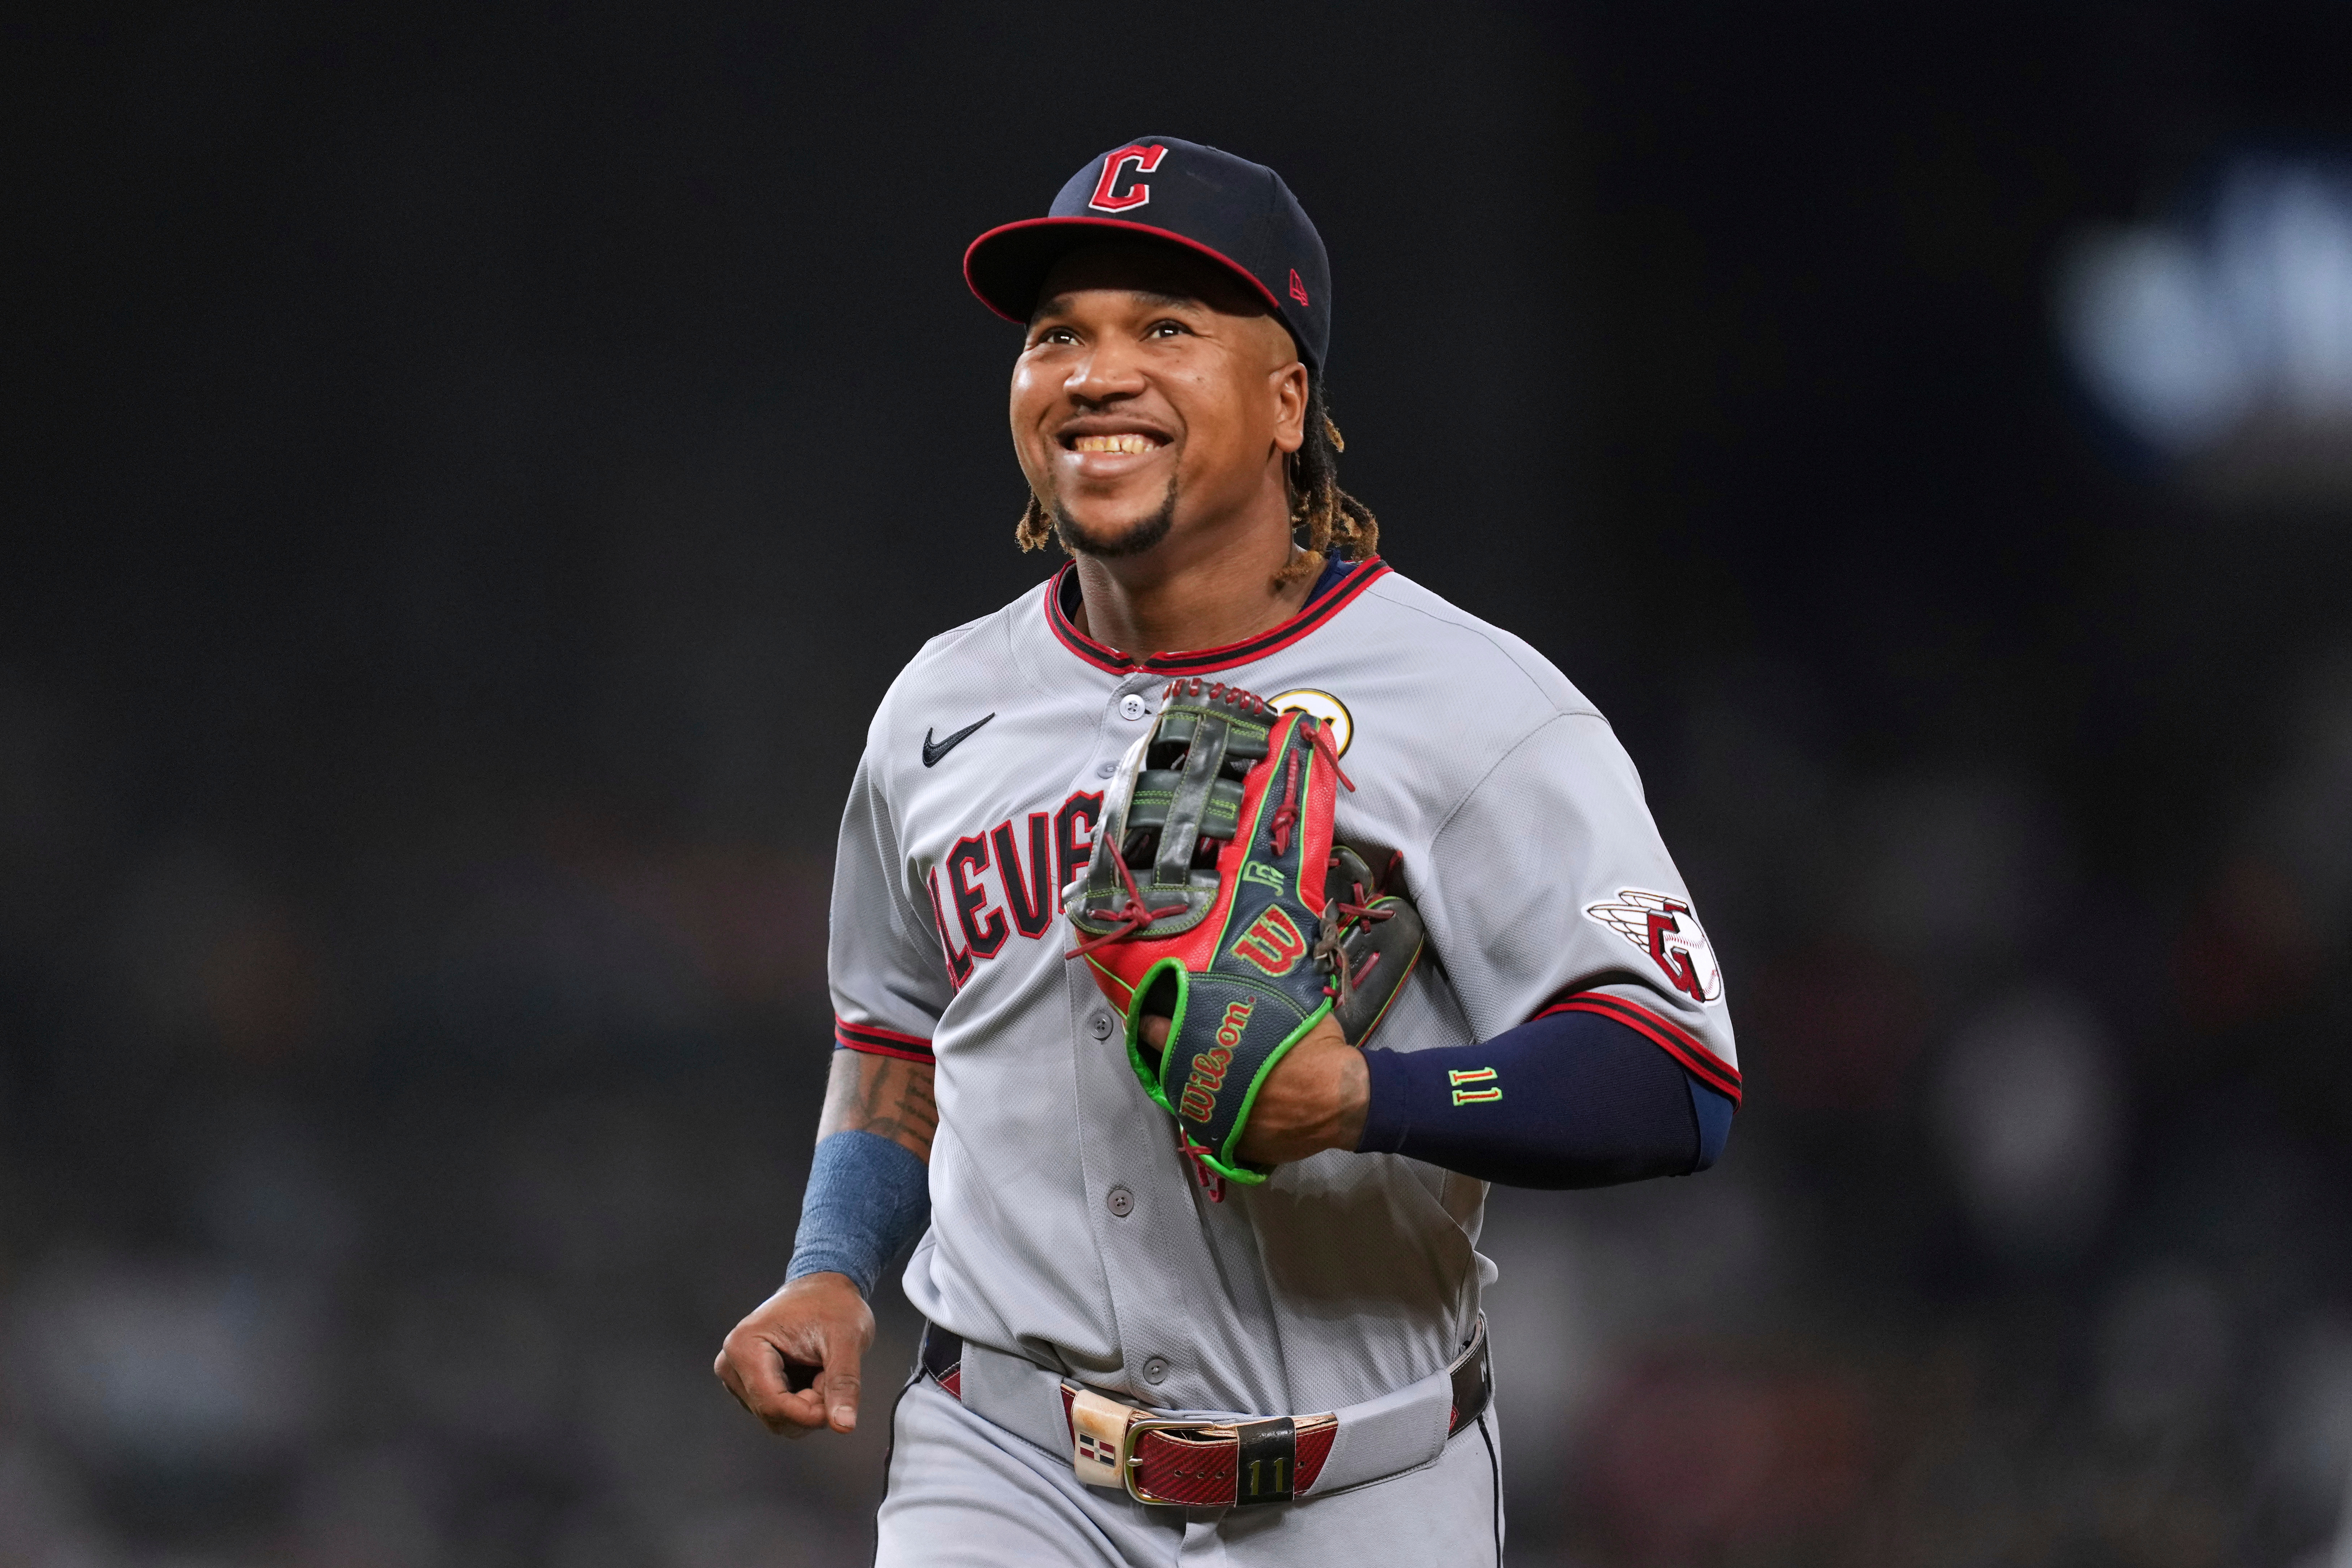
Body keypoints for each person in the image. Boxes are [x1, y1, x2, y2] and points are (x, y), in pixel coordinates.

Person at [714, 135, 1739, 1565]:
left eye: (1165, 327)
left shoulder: (1474, 702)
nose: (1094, 370)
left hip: (1357, 1486)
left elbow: (1675, 1076)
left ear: (1285, 400)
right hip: (1005, 1463)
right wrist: (830, 1270)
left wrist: (1360, 1094)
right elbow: (893, 1037)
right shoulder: (938, 708)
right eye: (1058, 332)